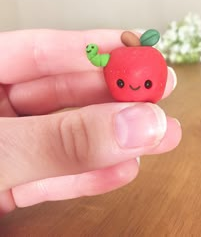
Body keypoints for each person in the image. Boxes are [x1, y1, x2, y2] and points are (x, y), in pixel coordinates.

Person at [0, 29, 181, 215]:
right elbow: (99, 61)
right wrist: (92, 54)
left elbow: (101, 61)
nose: (134, 87)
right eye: (121, 83)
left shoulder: (143, 57)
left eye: (147, 84)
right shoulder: (115, 58)